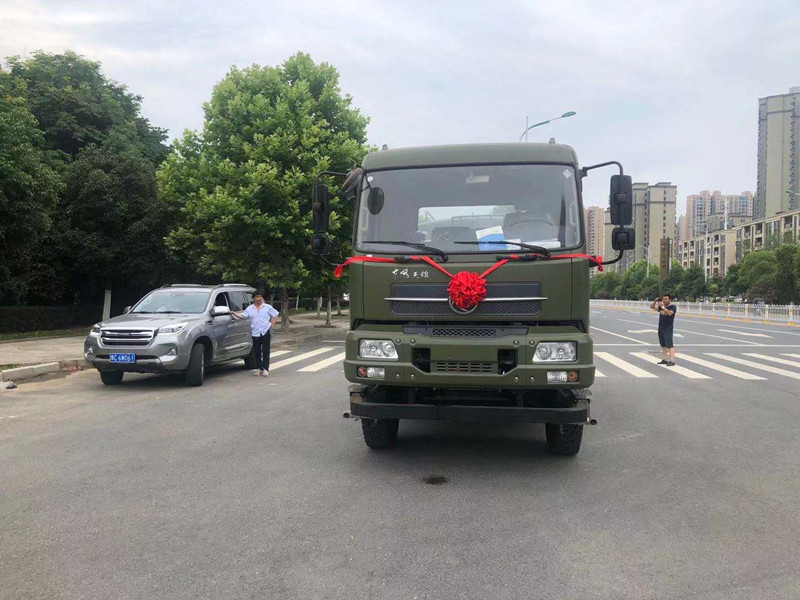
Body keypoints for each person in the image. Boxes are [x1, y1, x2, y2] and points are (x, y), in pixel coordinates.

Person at [233, 292, 279, 376]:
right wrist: (233, 313)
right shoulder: (250, 308)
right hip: (255, 332)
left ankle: (265, 368)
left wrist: (272, 324)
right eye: (257, 297)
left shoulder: (267, 307)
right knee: (256, 351)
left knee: (266, 350)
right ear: (253, 298)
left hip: (265, 331)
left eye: (260, 297)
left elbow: (275, 314)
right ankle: (259, 368)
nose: (259, 299)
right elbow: (242, 315)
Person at [650, 293, 677, 366]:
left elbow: (669, 313)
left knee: (670, 345)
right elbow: (652, 307)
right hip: (661, 328)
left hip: (668, 328)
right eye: (663, 299)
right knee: (663, 345)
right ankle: (664, 359)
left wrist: (662, 306)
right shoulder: (661, 307)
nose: (664, 300)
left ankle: (672, 360)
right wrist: (655, 301)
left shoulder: (672, 307)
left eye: (666, 299)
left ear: (669, 299)